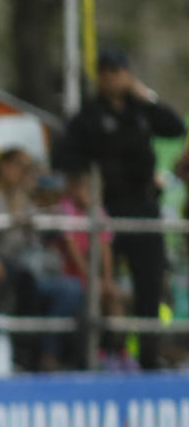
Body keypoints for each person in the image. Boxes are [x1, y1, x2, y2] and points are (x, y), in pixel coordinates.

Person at [54, 48, 186, 369]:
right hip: (108, 210)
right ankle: (101, 356)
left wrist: (145, 96)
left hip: (144, 207)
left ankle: (148, 357)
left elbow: (174, 127)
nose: (112, 78)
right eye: (106, 72)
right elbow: (66, 157)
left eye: (118, 72)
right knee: (105, 286)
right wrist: (82, 188)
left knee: (149, 287)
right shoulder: (89, 116)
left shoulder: (140, 110)